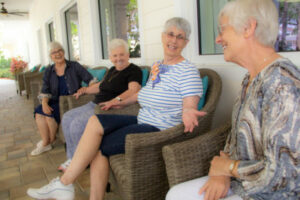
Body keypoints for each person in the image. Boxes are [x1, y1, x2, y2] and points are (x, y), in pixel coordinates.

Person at [27, 17, 206, 200]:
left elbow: (190, 103)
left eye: (180, 37)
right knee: (95, 120)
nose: (174, 40)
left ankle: (65, 184)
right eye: (170, 34)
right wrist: (119, 102)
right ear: (162, 36)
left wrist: (188, 111)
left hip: (158, 128)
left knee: (99, 147)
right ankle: (65, 186)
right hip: (142, 118)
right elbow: (143, 93)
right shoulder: (158, 66)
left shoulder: (188, 71)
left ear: (186, 42)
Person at [166, 0, 300, 200]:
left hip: (272, 193)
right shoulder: (251, 77)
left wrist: (229, 168)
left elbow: (285, 174)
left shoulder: (282, 83)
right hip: (242, 181)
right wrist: (222, 170)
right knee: (176, 194)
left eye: (222, 30)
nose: (218, 39)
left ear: (248, 28)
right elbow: (236, 136)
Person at [58, 38, 142, 172]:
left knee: (77, 124)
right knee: (67, 117)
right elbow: (100, 86)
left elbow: (134, 90)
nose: (118, 58)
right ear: (110, 57)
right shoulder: (112, 70)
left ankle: (79, 162)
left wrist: (115, 100)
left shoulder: (134, 70)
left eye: (121, 54)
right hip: (94, 103)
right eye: (115, 55)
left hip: (109, 109)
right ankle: (73, 157)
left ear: (128, 55)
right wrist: (84, 90)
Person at [30, 41, 94, 156]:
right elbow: (45, 89)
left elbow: (91, 80)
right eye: (54, 52)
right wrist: (44, 103)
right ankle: (46, 142)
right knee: (39, 112)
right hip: (54, 100)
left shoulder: (74, 66)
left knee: (49, 117)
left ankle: (48, 142)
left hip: (70, 101)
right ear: (51, 57)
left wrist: (85, 89)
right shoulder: (49, 71)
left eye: (59, 50)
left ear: (63, 52)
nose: (58, 54)